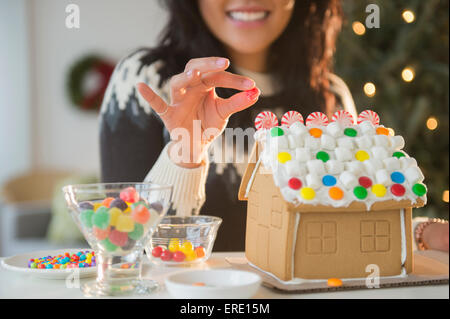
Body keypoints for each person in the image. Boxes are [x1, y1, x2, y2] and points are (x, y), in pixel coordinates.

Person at [99, 0, 448, 252]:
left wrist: (420, 233)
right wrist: (185, 153)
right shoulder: (147, 79)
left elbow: (342, 226)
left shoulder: (330, 99)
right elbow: (122, 243)